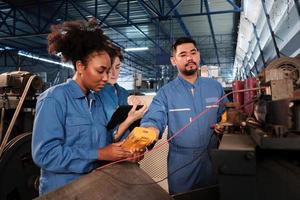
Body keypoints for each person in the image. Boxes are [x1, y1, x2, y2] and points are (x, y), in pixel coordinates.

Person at [31, 19, 139, 195]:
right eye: (100, 71)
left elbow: (106, 140)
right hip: (62, 193)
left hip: (94, 189)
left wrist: (123, 152)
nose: (106, 78)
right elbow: (45, 154)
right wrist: (99, 154)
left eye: (108, 71)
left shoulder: (96, 101)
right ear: (80, 67)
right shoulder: (54, 99)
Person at [140, 37, 228, 194]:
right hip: (182, 164)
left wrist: (224, 126)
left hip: (212, 160)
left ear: (199, 56)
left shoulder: (215, 87)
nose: (190, 58)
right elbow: (154, 118)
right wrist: (150, 130)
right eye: (183, 55)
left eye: (193, 53)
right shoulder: (165, 93)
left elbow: (225, 114)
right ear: (174, 61)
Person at [97, 45, 147, 142]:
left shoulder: (123, 93)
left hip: (126, 150)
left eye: (117, 67)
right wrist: (130, 119)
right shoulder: (95, 95)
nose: (114, 73)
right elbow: (104, 138)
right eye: (109, 68)